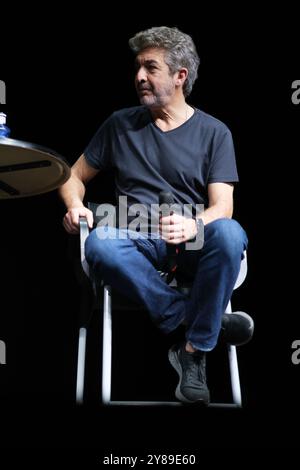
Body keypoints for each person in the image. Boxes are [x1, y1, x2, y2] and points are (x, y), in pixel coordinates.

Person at [59, 26, 253, 406]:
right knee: (100, 243)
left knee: (230, 234)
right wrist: (75, 204)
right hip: (134, 235)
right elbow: (71, 175)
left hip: (190, 237)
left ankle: (193, 350)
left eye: (151, 67)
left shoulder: (215, 132)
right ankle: (198, 324)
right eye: (137, 68)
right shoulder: (119, 124)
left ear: (180, 76)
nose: (139, 77)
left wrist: (194, 225)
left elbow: (222, 208)